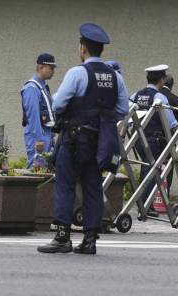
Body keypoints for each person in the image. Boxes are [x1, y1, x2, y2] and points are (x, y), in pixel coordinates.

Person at [38, 24, 130, 255]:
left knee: (66, 185)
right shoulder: (115, 77)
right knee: (93, 187)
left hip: (74, 139)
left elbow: (58, 105)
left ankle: (62, 237)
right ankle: (90, 240)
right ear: (101, 49)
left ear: (83, 48)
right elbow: (122, 109)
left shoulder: (77, 73)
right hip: (99, 142)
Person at [130, 64, 178, 210]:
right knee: (152, 172)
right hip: (153, 140)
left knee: (145, 169)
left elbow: (127, 115)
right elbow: (172, 123)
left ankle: (143, 203)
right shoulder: (160, 98)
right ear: (162, 80)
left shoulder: (136, 95)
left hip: (137, 140)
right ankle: (146, 206)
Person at [22, 53, 57, 170]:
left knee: (44, 171)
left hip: (46, 135)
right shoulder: (32, 88)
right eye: (51, 68)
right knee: (35, 170)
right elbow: (33, 116)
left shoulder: (43, 87)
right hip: (38, 136)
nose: (53, 71)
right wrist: (38, 139)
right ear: (41, 67)